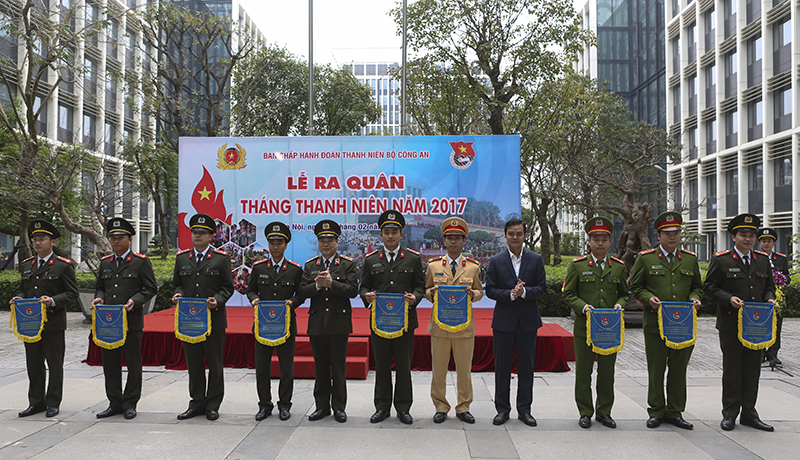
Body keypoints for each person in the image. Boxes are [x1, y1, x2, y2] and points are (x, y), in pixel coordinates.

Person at [630, 211, 702, 430]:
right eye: (668, 233)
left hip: (683, 325)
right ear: (659, 235)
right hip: (656, 324)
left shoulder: (689, 259)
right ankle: (656, 410)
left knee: (679, 370)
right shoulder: (646, 258)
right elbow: (635, 286)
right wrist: (646, 298)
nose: (673, 237)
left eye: (676, 233)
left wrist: (695, 298)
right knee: (656, 368)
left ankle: (675, 411)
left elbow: (697, 287)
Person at [704, 213, 776, 432]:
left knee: (752, 370)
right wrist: (728, 300)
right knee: (733, 370)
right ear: (733, 236)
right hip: (731, 324)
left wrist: (770, 299)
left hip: (757, 325)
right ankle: (730, 414)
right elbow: (710, 287)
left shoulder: (762, 260)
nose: (748, 239)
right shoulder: (722, 259)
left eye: (751, 235)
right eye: (743, 234)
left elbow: (769, 286)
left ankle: (749, 413)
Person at [359, 210, 425, 425]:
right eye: (386, 232)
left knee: (404, 366)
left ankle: (404, 408)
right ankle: (382, 406)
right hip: (380, 322)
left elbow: (420, 287)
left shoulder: (413, 259)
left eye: (394, 232)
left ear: (401, 234)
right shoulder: (371, 260)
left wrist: (414, 297)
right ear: (381, 235)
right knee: (382, 365)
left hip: (405, 322)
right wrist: (366, 296)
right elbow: (365, 286)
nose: (390, 236)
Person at [562, 217, 628, 429]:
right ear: (588, 241)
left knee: (607, 373)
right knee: (583, 372)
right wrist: (583, 307)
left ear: (611, 241)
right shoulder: (578, 266)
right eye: (595, 239)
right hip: (585, 328)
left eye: (604, 239)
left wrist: (619, 305)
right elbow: (568, 293)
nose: (600, 243)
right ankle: (585, 411)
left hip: (609, 329)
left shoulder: (618, 267)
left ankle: (604, 411)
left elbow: (624, 295)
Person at [92, 218, 158, 420]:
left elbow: (150, 288)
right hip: (109, 321)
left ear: (130, 239)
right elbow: (101, 286)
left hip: (131, 322)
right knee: (110, 364)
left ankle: (130, 402)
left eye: (120, 238)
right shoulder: (105, 262)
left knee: (133, 364)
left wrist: (135, 301)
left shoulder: (140, 262)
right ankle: (114, 402)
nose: (116, 242)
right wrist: (99, 297)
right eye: (113, 238)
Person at [12, 219, 79, 418]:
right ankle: (36, 402)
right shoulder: (26, 265)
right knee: (33, 363)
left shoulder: (62, 266)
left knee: (54, 364)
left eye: (42, 239)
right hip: (30, 323)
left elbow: (72, 293)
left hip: (53, 323)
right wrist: (19, 298)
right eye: (35, 239)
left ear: (53, 242)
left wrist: (52, 301)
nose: (37, 243)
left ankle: (53, 402)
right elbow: (24, 290)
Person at [172, 213, 234, 421]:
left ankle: (213, 404)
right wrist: (178, 293)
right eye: (195, 232)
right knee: (194, 363)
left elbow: (227, 287)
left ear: (211, 236)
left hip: (214, 319)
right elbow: (177, 283)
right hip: (190, 321)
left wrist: (217, 300)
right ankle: (196, 402)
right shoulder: (182, 258)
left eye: (202, 233)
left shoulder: (221, 258)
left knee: (215, 364)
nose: (197, 236)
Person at [486, 218, 546, 427]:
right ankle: (502, 410)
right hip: (504, 322)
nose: (515, 237)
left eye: (519, 233)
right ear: (505, 235)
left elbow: (542, 288)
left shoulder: (535, 259)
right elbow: (490, 290)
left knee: (526, 368)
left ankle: (524, 410)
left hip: (528, 321)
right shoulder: (496, 261)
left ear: (524, 235)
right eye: (511, 233)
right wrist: (511, 295)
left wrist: (525, 292)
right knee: (502, 368)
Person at [298, 219, 358, 423]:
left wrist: (332, 284)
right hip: (316, 323)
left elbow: (352, 291)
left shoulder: (347, 265)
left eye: (330, 240)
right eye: (322, 240)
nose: (326, 244)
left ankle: (339, 407)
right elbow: (301, 291)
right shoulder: (310, 265)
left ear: (337, 242)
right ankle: (321, 406)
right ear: (318, 242)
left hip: (339, 323)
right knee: (321, 367)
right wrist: (316, 286)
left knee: (338, 368)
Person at [425, 217, 483, 424]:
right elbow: (426, 291)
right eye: (449, 237)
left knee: (464, 369)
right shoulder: (433, 266)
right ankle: (440, 406)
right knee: (438, 369)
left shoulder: (473, 267)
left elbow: (479, 292)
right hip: (440, 326)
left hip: (464, 326)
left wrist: (472, 295)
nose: (453, 242)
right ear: (444, 240)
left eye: (457, 238)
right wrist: (430, 293)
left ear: (464, 240)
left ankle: (463, 406)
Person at [246, 222, 305, 421]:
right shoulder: (259, 267)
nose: (276, 246)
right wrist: (254, 299)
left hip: (286, 325)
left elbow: (301, 294)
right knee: (262, 368)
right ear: (268, 245)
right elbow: (251, 289)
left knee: (286, 367)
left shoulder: (295, 270)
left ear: (286, 245)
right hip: (262, 324)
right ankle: (264, 405)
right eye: (272, 243)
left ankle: (285, 405)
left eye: (280, 242)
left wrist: (292, 302)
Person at [758, 228, 789, 367]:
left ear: (774, 243)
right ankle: (760, 353)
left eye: (769, 241)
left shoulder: (781, 259)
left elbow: (787, 278)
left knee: (776, 326)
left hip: (776, 298)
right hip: (759, 297)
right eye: (763, 241)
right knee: (759, 325)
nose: (766, 244)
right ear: (759, 243)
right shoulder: (755, 257)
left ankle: (773, 354)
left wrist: (781, 279)